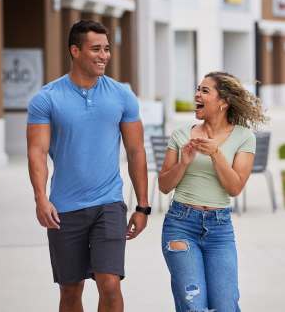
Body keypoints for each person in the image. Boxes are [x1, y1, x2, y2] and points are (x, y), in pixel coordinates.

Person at [27, 19, 150, 312]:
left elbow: (136, 151)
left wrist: (142, 206)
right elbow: (37, 152)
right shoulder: (47, 98)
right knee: (70, 290)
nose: (104, 55)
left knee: (110, 284)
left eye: (106, 49)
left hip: (108, 204)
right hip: (64, 208)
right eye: (96, 49)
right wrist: (41, 199)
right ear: (75, 51)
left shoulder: (122, 95)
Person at [159, 72, 267, 312]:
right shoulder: (181, 135)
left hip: (219, 229)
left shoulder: (243, 137)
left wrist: (216, 154)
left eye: (205, 91)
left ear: (223, 102)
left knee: (225, 306)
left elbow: (235, 187)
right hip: (181, 225)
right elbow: (164, 185)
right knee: (193, 305)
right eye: (198, 89)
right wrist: (184, 162)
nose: (197, 94)